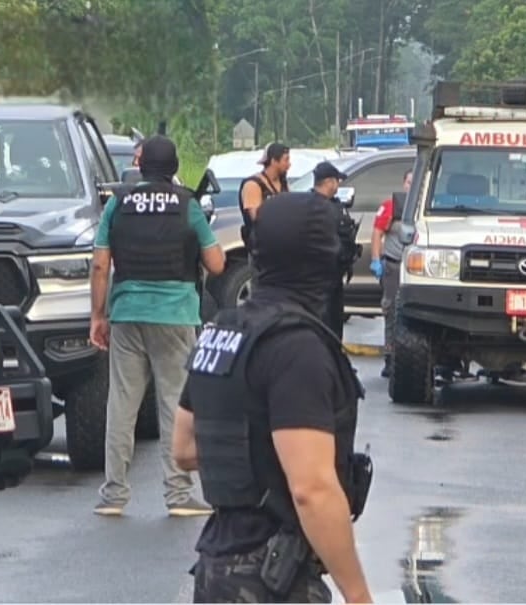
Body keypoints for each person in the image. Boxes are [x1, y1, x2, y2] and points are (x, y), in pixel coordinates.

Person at [172, 191, 374, 604]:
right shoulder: (296, 347)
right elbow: (311, 489)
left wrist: (253, 458)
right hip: (273, 575)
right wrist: (358, 596)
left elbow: (185, 448)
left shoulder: (223, 330)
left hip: (217, 567)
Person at [89, 135, 226, 517]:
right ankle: (178, 495)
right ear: (173, 167)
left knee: (122, 405)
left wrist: (97, 316)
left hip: (127, 313)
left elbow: (100, 265)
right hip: (175, 315)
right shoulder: (188, 206)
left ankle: (113, 494)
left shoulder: (118, 202)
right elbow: (216, 264)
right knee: (173, 405)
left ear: (141, 164)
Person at [370, 169, 413, 377]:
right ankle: (390, 356)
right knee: (391, 311)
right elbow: (377, 233)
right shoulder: (390, 206)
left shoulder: (426, 208)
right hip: (394, 265)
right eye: (408, 182)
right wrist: (376, 259)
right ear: (403, 183)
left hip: (416, 268)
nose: (411, 186)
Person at [311, 160, 360, 339]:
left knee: (334, 321)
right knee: (325, 323)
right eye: (336, 181)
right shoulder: (315, 206)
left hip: (334, 272)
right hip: (320, 275)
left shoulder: (333, 204)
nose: (338, 185)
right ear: (329, 182)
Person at [238, 143, 291, 252]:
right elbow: (257, 218)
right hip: (262, 247)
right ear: (273, 161)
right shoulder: (253, 185)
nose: (289, 164)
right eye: (285, 160)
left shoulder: (284, 183)